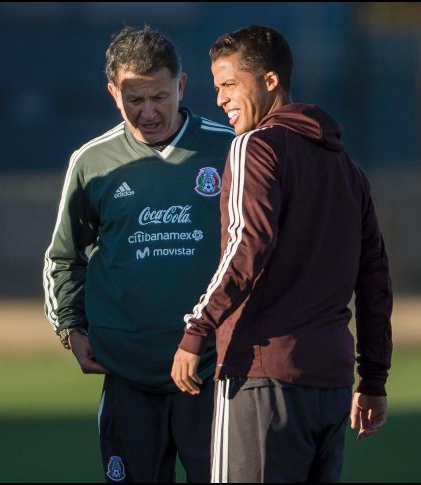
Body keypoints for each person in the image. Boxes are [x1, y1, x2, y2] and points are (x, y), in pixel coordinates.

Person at [171, 25, 393, 483]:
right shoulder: (347, 168)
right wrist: (373, 379)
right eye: (217, 88)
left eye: (229, 84)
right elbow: (375, 279)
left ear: (270, 81)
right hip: (330, 387)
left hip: (260, 376)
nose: (220, 99)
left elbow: (246, 246)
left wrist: (196, 329)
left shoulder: (255, 146)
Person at [43, 26, 234, 483]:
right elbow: (64, 259)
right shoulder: (92, 162)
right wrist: (70, 329)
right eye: (135, 100)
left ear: (181, 86)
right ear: (114, 94)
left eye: (159, 97)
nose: (148, 112)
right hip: (127, 373)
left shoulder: (229, 148)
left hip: (212, 371)